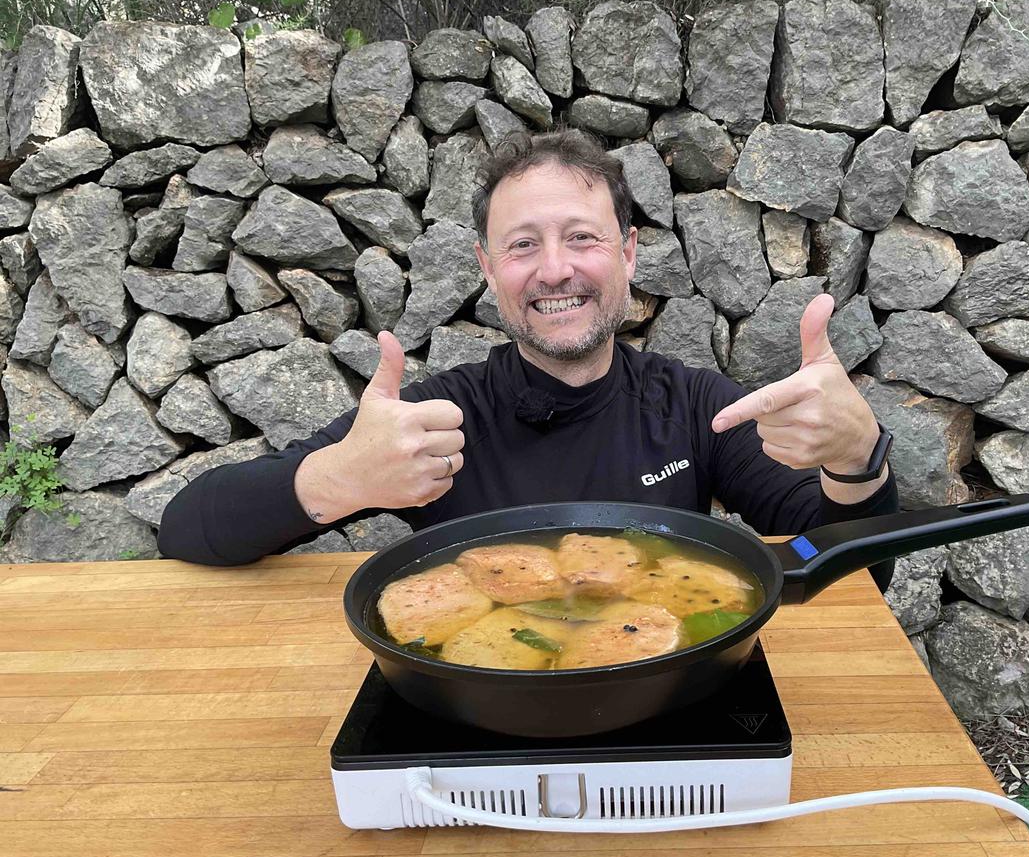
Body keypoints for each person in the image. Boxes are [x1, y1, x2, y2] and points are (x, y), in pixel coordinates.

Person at [157, 128, 898, 583]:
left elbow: (846, 571)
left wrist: (856, 462)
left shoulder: (697, 408)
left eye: (581, 237)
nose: (554, 270)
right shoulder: (434, 420)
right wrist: (340, 478)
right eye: (522, 245)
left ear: (628, 254)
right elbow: (190, 527)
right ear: (488, 269)